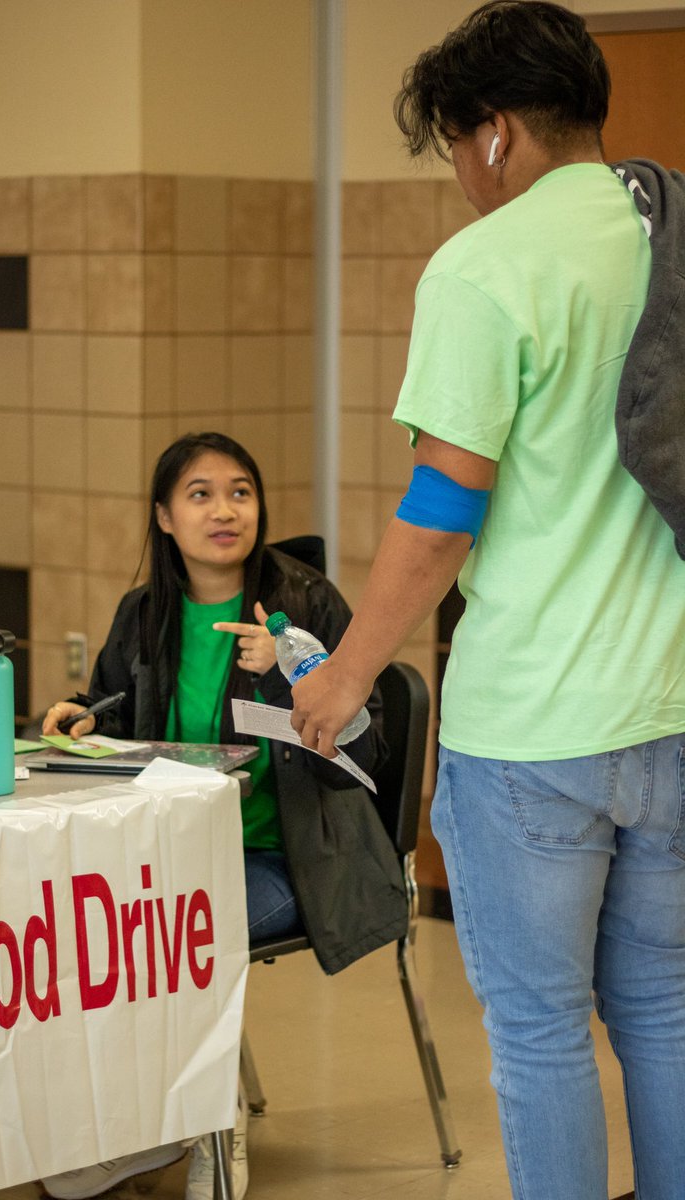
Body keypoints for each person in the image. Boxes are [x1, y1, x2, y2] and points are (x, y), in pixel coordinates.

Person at [289, 4, 685, 1198]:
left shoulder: (485, 263)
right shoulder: (665, 227)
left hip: (533, 735)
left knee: (538, 1032)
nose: (462, 176)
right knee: (663, 1013)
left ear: (495, 133)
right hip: (670, 712)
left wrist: (348, 671)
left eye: (456, 147)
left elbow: (441, 511)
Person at [39, 431, 406, 1200]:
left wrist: (289, 674)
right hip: (164, 854)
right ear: (165, 518)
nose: (225, 510)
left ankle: (197, 1125)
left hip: (286, 854)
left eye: (240, 491)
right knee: (75, 926)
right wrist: (80, 714)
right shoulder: (146, 612)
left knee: (178, 932)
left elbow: (360, 754)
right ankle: (121, 1125)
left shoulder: (303, 603)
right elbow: (112, 707)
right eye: (200, 495)